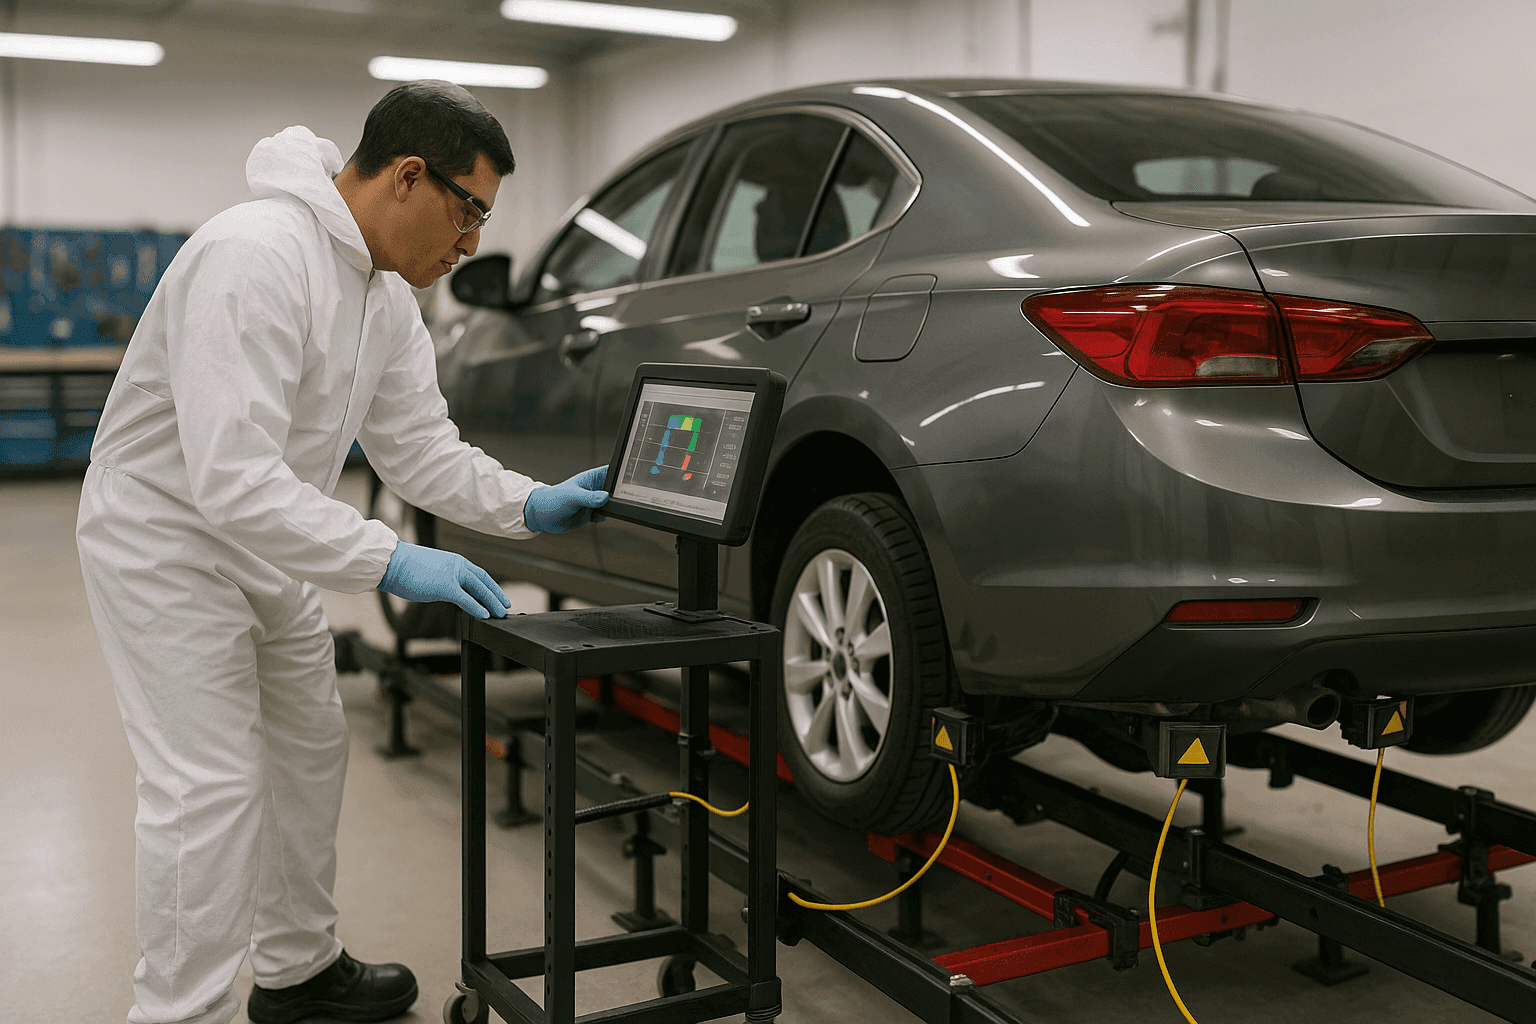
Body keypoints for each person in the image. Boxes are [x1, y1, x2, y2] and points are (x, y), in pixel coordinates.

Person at [75, 81, 607, 1024]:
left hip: (274, 544)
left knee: (310, 749)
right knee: (209, 787)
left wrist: (529, 504)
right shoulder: (253, 256)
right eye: (469, 208)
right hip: (164, 540)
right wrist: (389, 560)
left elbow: (418, 445)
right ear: (410, 176)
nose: (473, 242)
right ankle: (178, 1013)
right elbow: (231, 479)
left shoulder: (383, 295)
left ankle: (296, 971)